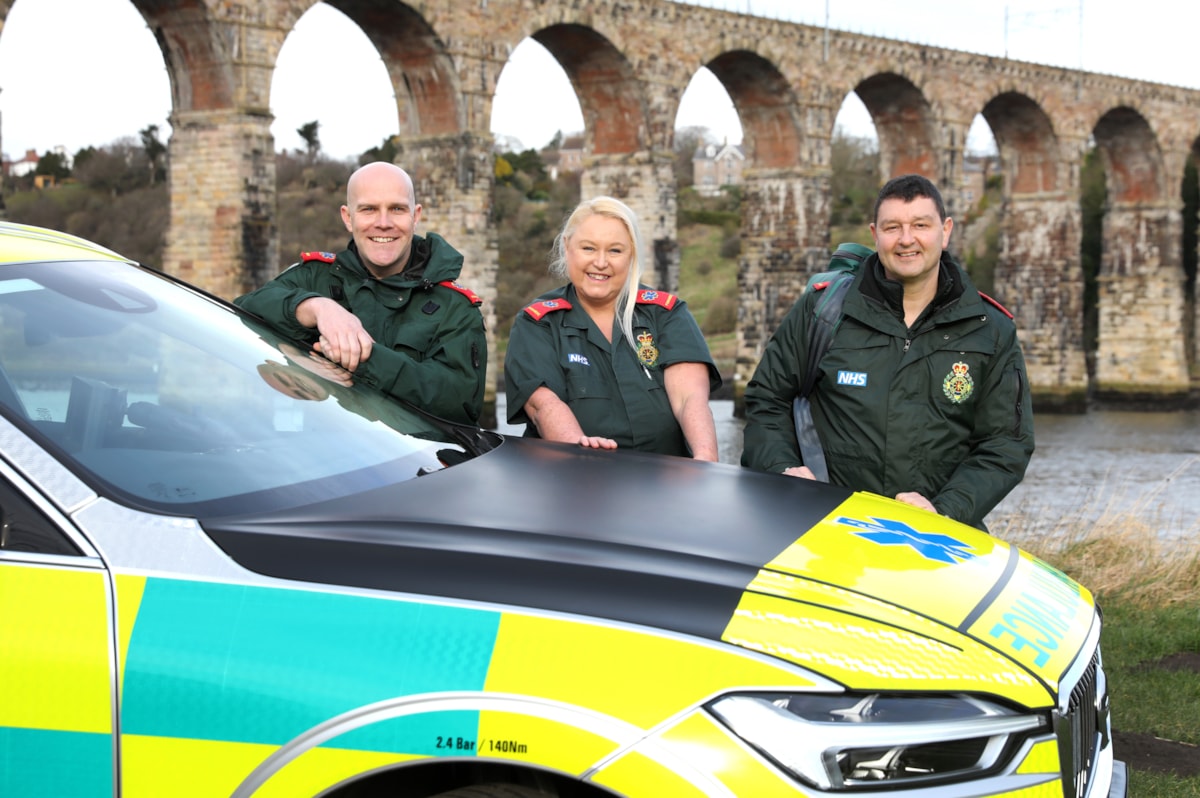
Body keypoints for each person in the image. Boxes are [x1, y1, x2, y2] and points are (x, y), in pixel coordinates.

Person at [741, 174, 1034, 530]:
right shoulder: (824, 311)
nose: (906, 239)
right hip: (823, 530)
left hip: (937, 540)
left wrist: (945, 511)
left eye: (920, 225)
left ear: (946, 231)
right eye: (892, 227)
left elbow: (1005, 445)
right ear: (874, 234)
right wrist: (782, 469)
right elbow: (766, 399)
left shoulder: (990, 330)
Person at [235, 162, 487, 425]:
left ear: (416, 216)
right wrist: (317, 308)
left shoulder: (456, 309)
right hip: (316, 454)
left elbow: (459, 402)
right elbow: (245, 311)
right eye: (369, 209)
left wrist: (358, 356)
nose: (383, 223)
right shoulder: (313, 277)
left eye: (397, 209)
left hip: (414, 464)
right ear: (347, 217)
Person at [504, 196, 720, 460]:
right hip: (574, 480)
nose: (601, 262)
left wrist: (706, 461)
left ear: (631, 256)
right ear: (567, 247)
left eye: (615, 250)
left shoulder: (666, 313)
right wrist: (578, 448)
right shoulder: (538, 322)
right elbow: (543, 404)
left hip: (667, 482)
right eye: (588, 248)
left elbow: (690, 399)